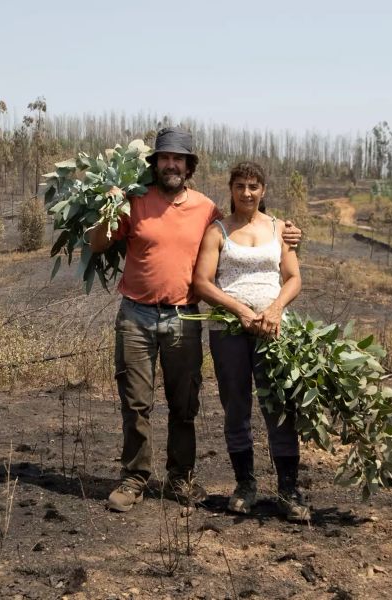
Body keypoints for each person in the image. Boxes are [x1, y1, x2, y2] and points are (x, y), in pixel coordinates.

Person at [87, 128, 301, 512]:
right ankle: (135, 479)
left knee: (184, 404)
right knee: (136, 403)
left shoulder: (207, 211)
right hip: (135, 314)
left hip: (184, 317)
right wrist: (108, 208)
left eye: (178, 159)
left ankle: (180, 479)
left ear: (188, 167)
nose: (171, 164)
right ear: (155, 164)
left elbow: (245, 228)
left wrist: (289, 232)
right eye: (165, 158)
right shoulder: (134, 202)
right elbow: (98, 244)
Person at [192, 160, 310, 522]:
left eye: (253, 186)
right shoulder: (218, 231)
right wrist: (240, 310)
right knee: (236, 406)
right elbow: (202, 282)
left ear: (263, 191)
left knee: (279, 408)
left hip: (274, 330)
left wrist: (274, 310)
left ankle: (288, 491)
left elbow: (293, 278)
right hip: (228, 329)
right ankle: (245, 485)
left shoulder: (280, 230)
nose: (246, 193)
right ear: (230, 190)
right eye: (240, 186)